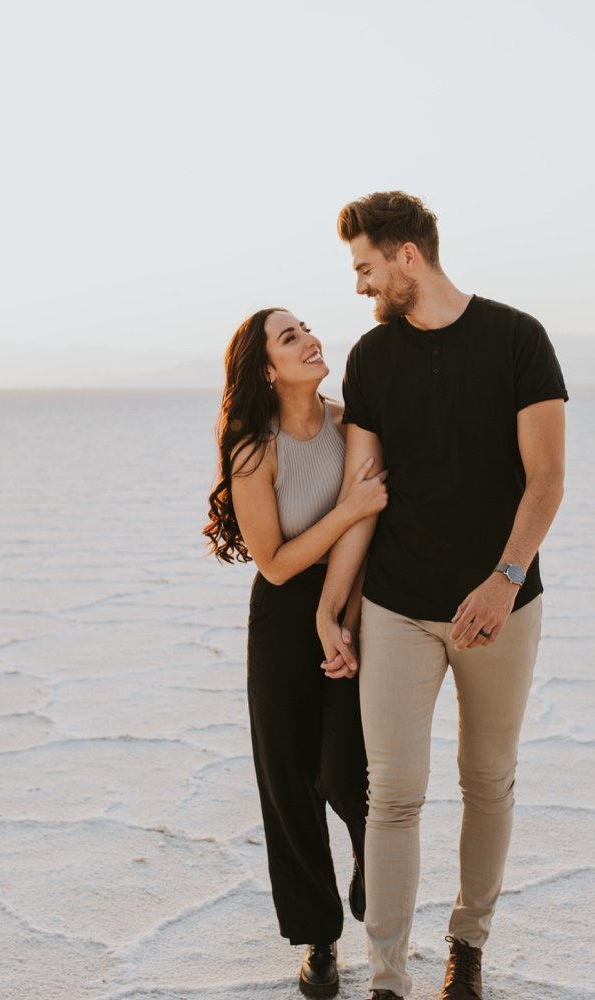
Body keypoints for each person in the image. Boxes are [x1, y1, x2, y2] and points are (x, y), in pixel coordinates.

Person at [315, 193, 567, 1000]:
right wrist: (340, 602)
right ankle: (387, 976)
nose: (358, 285)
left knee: (487, 777)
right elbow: (363, 488)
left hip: (501, 606)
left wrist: (504, 580)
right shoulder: (371, 357)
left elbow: (547, 479)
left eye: (364, 267)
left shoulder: (518, 339)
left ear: (406, 258)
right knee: (392, 791)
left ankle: (468, 946)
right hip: (396, 605)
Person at [204, 306, 388, 998]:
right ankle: (320, 939)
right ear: (266, 369)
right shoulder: (256, 447)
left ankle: (375, 870)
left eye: (306, 328)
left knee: (348, 769)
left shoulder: (351, 424)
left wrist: (345, 612)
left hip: (355, 602)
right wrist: (346, 510)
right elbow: (276, 564)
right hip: (283, 619)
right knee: (289, 785)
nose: (310, 340)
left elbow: (376, 525)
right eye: (289, 338)